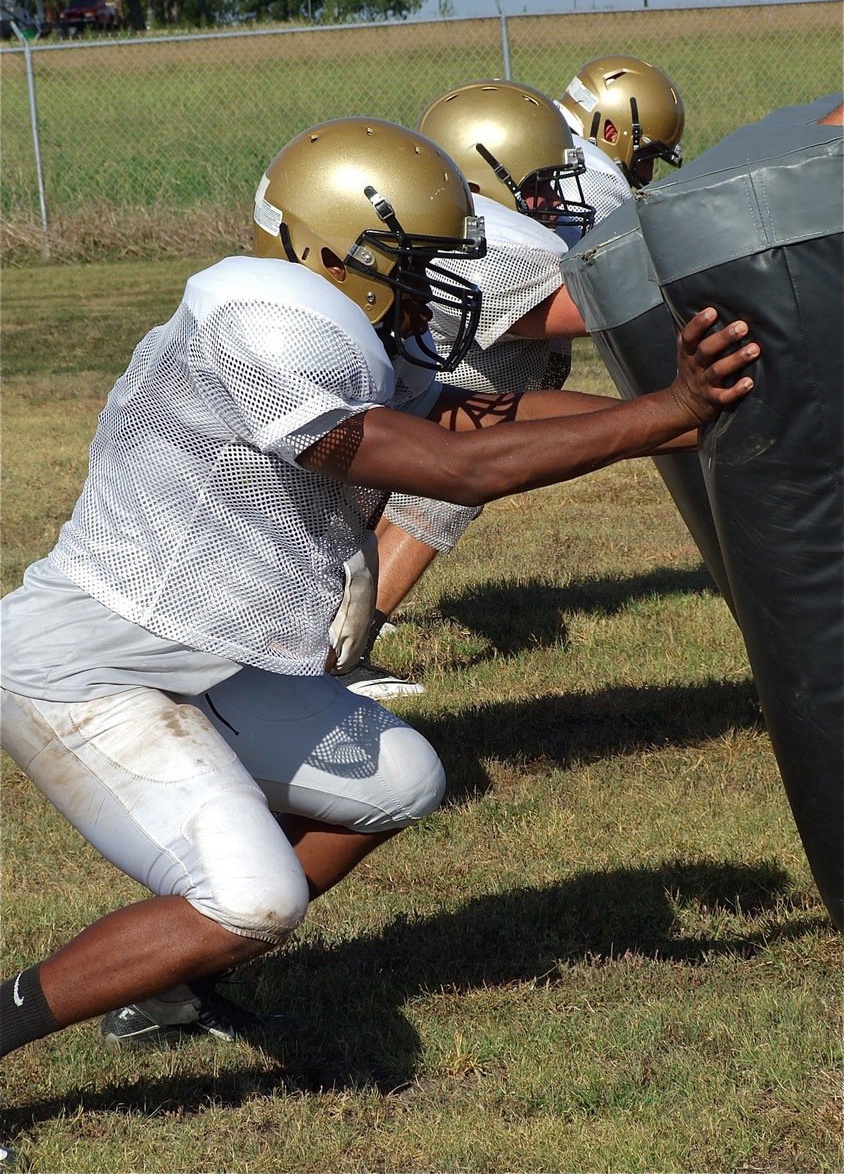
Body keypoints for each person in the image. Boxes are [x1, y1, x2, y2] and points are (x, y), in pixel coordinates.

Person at [0, 114, 759, 1060]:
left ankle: (170, 985)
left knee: (399, 778)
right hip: (88, 668)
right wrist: (664, 408)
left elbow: (473, 416)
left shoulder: (330, 325)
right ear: (333, 250)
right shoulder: (261, 330)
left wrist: (683, 425)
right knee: (252, 899)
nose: (432, 287)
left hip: (199, 653)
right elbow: (458, 467)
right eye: (413, 261)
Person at [332, 80, 619, 699]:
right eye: (537, 182)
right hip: (412, 403)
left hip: (431, 394)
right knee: (422, 495)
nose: (555, 199)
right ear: (482, 178)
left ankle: (331, 647)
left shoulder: (486, 228)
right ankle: (334, 653)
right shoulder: (489, 241)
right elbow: (587, 311)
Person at [555, 54, 685, 190]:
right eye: (645, 157)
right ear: (610, 133)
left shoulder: (555, 145)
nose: (649, 175)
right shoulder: (588, 188)